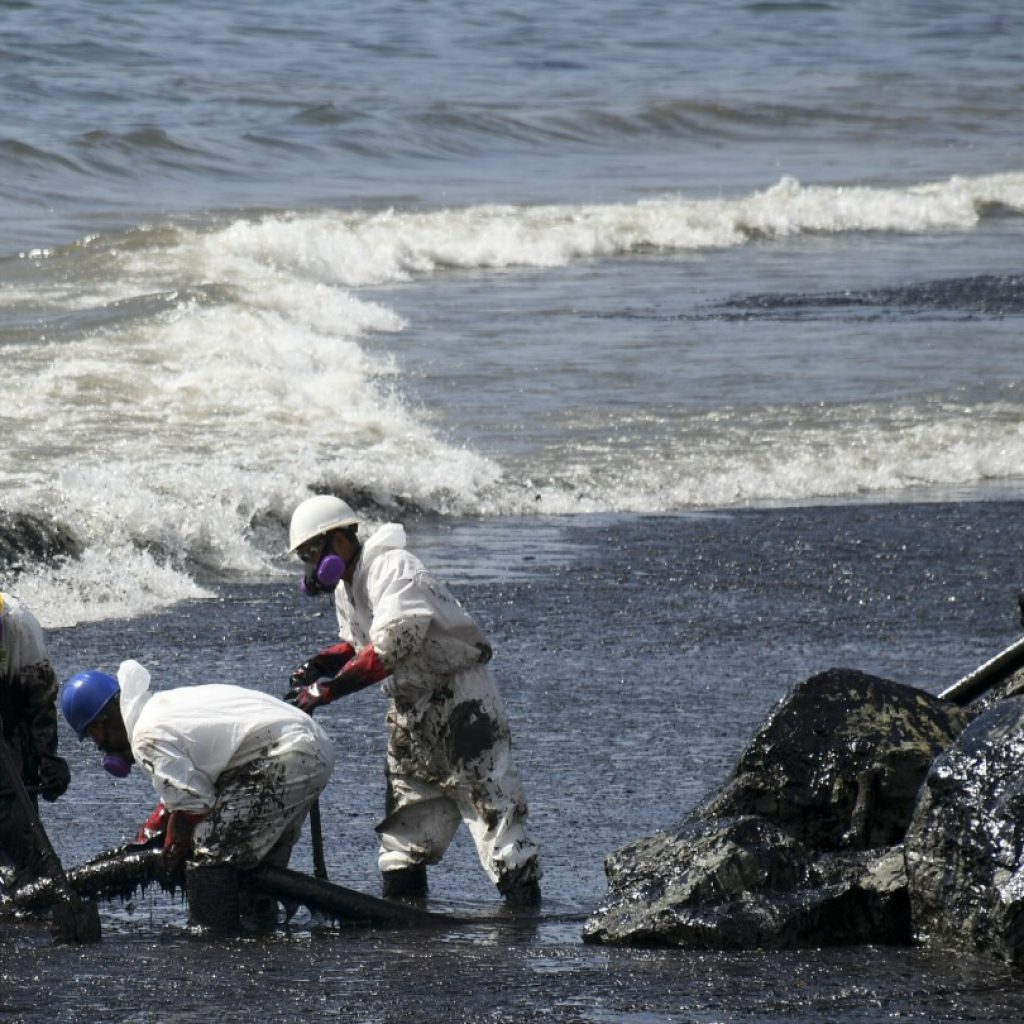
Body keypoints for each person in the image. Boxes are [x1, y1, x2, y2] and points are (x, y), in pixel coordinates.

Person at [284, 494, 542, 906]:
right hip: (410, 708)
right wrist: (322, 665)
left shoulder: (392, 568)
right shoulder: (347, 588)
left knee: (492, 809)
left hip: (461, 700)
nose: (312, 564)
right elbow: (358, 645)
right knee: (406, 829)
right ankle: (406, 921)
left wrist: (327, 691)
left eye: (316, 550)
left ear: (342, 538)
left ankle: (523, 920)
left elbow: (393, 645)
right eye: (305, 556)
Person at [60, 659, 335, 925]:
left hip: (288, 756)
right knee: (256, 861)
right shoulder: (158, 707)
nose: (101, 749)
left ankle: (214, 938)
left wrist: (173, 847)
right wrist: (150, 834)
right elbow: (186, 788)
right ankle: (260, 927)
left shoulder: (145, 736)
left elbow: (194, 804)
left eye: (95, 739)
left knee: (210, 849)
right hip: (303, 746)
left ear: (100, 725)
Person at [0, 592, 71, 892]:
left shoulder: (17, 621)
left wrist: (47, 756)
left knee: (17, 797)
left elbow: (39, 698)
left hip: (12, 698)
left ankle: (29, 881)